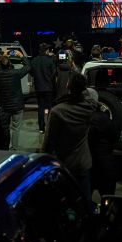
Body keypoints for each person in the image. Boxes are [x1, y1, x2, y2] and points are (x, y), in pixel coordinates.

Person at [42, 73, 97, 209]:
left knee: (64, 204)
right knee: (85, 201)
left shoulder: (58, 111)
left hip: (65, 164)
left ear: (68, 86)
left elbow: (49, 141)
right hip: (83, 162)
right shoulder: (89, 107)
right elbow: (91, 97)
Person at [0, 50, 31, 150]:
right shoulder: (16, 73)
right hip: (17, 105)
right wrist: (22, 56)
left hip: (5, 106)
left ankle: (5, 146)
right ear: (10, 64)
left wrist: (2, 57)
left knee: (5, 128)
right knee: (16, 128)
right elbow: (28, 67)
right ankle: (14, 147)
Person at [31, 43, 57, 133]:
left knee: (40, 108)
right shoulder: (50, 60)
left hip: (39, 88)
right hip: (49, 88)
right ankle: (50, 126)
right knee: (50, 108)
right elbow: (54, 73)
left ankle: (41, 128)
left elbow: (31, 73)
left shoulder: (34, 60)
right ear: (47, 50)